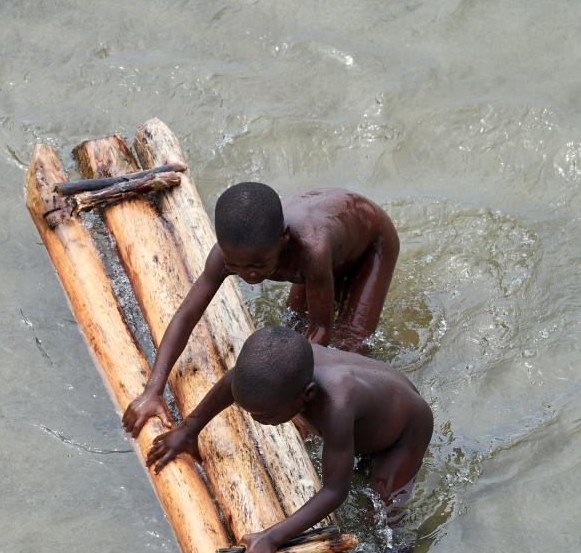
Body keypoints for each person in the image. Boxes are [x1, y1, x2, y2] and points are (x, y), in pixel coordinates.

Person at [144, 326, 433, 553]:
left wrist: (272, 537)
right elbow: (231, 383)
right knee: (341, 452)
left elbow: (335, 491)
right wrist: (188, 430)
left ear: (306, 396)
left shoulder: (337, 404)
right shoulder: (273, 369)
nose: (258, 421)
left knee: (379, 513)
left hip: (405, 432)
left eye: (266, 416)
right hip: (369, 407)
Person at [122, 182, 399, 437]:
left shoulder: (310, 251)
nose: (247, 275)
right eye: (235, 266)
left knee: (347, 345)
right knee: (293, 331)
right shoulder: (228, 256)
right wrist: (152, 390)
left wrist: (289, 400)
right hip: (319, 252)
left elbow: (321, 329)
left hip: (372, 243)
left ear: (283, 239)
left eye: (257, 266)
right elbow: (186, 317)